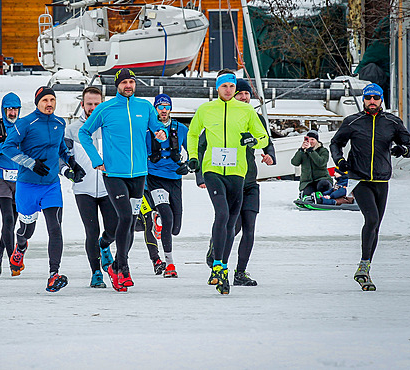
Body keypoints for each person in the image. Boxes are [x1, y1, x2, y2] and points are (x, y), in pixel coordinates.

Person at [79, 68, 168, 292]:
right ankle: (124, 268)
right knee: (125, 217)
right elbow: (84, 133)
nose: (128, 85)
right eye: (124, 82)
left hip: (139, 174)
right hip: (114, 174)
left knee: (130, 221)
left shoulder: (144, 107)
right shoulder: (105, 108)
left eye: (131, 82)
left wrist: (160, 133)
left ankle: (116, 266)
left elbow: (157, 127)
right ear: (117, 85)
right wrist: (96, 159)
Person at [187, 69, 269, 294]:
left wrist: (253, 140)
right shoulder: (206, 110)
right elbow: (193, 134)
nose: (229, 90)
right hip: (213, 170)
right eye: (225, 86)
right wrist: (193, 157)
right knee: (222, 214)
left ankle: (223, 268)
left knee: (232, 221)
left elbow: (263, 138)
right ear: (217, 88)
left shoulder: (246, 111)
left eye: (232, 87)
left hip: (237, 173)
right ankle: (217, 265)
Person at [330, 83, 410, 291]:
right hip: (359, 179)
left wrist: (401, 150)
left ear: (381, 100)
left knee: (376, 226)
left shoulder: (392, 122)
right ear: (364, 100)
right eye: (368, 98)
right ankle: (363, 266)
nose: (372, 101)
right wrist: (340, 161)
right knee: (372, 219)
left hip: (381, 179)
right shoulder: (354, 121)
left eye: (376, 98)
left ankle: (365, 269)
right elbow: (335, 143)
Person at [5, 87, 84, 292]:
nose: (49, 104)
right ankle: (20, 247)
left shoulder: (59, 123)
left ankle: (53, 274)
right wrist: (30, 163)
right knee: (26, 230)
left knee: (55, 229)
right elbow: (7, 148)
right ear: (37, 102)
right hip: (27, 185)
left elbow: (61, 150)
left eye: (52, 100)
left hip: (51, 186)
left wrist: (72, 163)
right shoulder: (25, 123)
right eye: (45, 100)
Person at [63, 86, 117, 288]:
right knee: (91, 231)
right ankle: (96, 273)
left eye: (96, 104)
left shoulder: (109, 127)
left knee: (112, 228)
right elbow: (63, 156)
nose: (93, 108)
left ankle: (105, 246)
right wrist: (69, 171)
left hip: (108, 186)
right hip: (83, 189)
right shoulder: (72, 130)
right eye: (89, 104)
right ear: (82, 105)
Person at [140, 93, 189, 278]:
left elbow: (192, 152)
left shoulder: (181, 129)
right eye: (159, 106)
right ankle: (170, 264)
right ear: (154, 109)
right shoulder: (147, 131)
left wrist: (188, 164)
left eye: (166, 106)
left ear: (170, 108)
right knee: (167, 217)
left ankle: (158, 223)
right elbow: (139, 154)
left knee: (175, 228)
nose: (163, 110)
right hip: (155, 178)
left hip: (174, 178)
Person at [0, 92, 21, 278]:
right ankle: (12, 261)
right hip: (0, 176)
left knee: (14, 220)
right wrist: (6, 146)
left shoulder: (23, 126)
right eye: (8, 109)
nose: (12, 112)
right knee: (8, 219)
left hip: (20, 178)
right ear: (3, 109)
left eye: (15, 108)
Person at [291, 130, 332, 197]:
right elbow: (294, 162)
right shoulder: (303, 151)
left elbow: (321, 162)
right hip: (307, 182)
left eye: (312, 139)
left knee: (323, 185)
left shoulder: (323, 150)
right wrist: (301, 150)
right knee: (307, 193)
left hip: (322, 179)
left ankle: (327, 197)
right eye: (308, 139)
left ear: (317, 140)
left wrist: (311, 151)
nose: (310, 141)